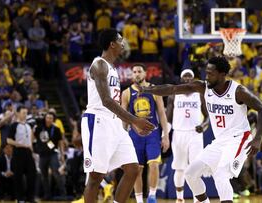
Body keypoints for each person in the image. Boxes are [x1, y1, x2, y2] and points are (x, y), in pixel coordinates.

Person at [140, 56, 262, 203]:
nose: (207, 77)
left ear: (222, 74)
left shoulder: (238, 91)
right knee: (190, 173)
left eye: (210, 74)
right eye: (206, 73)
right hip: (220, 141)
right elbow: (173, 89)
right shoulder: (204, 87)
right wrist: (149, 90)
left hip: (239, 138)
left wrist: (257, 138)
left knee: (221, 174)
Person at [81, 28, 155, 203]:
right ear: (112, 44)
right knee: (95, 178)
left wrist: (128, 122)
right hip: (97, 121)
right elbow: (106, 100)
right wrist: (135, 120)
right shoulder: (99, 65)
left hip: (115, 123)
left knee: (133, 169)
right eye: (120, 40)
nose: (123, 44)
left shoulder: (113, 68)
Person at [121, 63, 170, 203]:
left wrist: (165, 135)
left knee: (154, 164)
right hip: (135, 136)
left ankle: (152, 196)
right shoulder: (126, 93)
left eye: (139, 71)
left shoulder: (154, 90)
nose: (136, 74)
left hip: (153, 133)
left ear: (145, 74)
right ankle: (139, 200)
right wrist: (122, 137)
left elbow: (161, 113)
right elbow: (123, 117)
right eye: (134, 72)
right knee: (137, 169)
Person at [166, 69, 209, 203]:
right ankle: (180, 198)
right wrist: (164, 135)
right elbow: (168, 119)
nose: (187, 79)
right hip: (178, 133)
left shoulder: (200, 95)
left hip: (195, 134)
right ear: (181, 78)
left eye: (190, 76)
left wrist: (203, 126)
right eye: (185, 76)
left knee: (195, 167)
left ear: (193, 79)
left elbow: (208, 117)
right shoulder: (174, 95)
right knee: (179, 168)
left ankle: (197, 198)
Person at [7, 105, 36, 203]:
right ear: (18, 113)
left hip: (28, 152)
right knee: (18, 176)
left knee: (32, 175)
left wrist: (32, 152)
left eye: (26, 113)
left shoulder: (29, 125)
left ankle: (30, 197)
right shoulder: (14, 125)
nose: (25, 114)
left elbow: (30, 140)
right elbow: (8, 140)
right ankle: (20, 198)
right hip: (18, 151)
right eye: (23, 112)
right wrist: (18, 144)